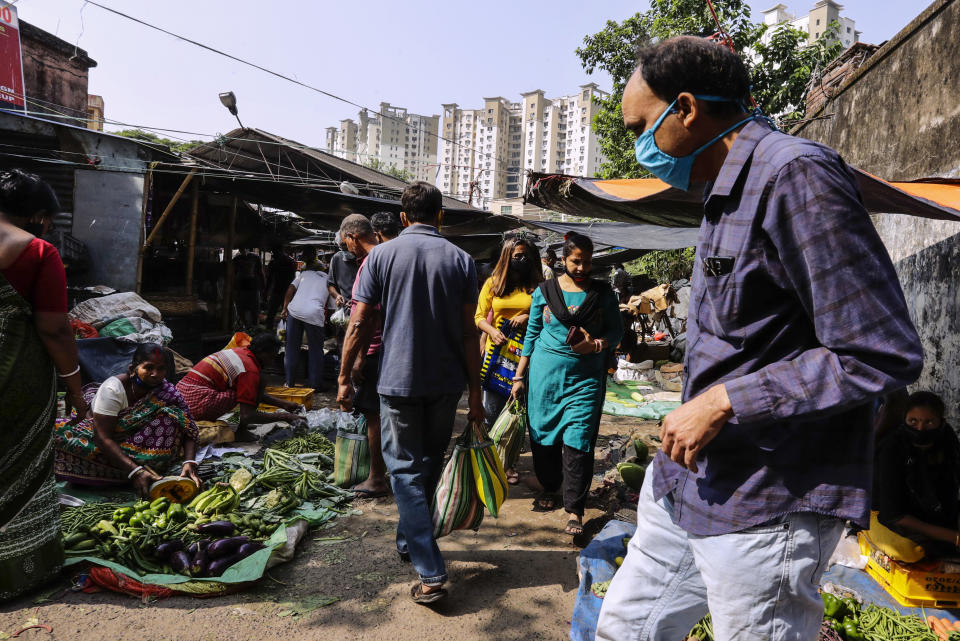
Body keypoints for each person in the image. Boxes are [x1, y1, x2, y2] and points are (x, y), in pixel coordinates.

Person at [596, 37, 923, 641]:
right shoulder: (725, 191)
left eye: (642, 125)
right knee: (624, 629)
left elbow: (880, 352)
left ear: (686, 109)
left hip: (766, 500)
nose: (640, 145)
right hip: (688, 483)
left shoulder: (795, 176)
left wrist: (724, 401)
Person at [338, 181, 483, 606]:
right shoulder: (461, 259)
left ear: (403, 218)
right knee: (427, 464)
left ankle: (430, 571)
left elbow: (358, 323)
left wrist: (345, 377)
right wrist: (475, 393)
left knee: (403, 470)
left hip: (398, 380)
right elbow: (469, 333)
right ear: (440, 215)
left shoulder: (381, 255)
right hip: (446, 382)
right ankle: (411, 542)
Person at [0, 169, 80, 600]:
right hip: (15, 378)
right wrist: (74, 386)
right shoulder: (36, 250)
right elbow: (54, 329)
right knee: (17, 465)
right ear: (36, 215)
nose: (46, 226)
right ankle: (18, 567)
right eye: (47, 218)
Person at [510, 232, 622, 535]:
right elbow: (531, 335)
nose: (582, 268)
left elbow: (615, 332)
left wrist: (597, 346)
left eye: (587, 262)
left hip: (585, 380)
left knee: (579, 441)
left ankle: (575, 510)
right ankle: (549, 483)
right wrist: (519, 376)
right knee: (542, 436)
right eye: (576, 261)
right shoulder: (544, 291)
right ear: (563, 260)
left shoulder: (602, 294)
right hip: (545, 379)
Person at [54, 344, 201, 495]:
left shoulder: (166, 391)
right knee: (62, 439)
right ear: (132, 370)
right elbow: (102, 437)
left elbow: (187, 426)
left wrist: (189, 461)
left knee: (172, 418)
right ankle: (135, 469)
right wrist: (135, 471)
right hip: (101, 438)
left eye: (161, 369)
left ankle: (142, 466)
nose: (155, 374)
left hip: (135, 440)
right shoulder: (113, 389)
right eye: (148, 367)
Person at [475, 235, 542, 485]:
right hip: (495, 358)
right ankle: (492, 462)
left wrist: (526, 315)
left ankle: (509, 462)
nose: (522, 260)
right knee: (491, 412)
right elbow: (479, 316)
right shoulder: (493, 283)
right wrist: (491, 332)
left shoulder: (536, 285)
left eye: (526, 255)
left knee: (516, 413)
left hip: (527, 356)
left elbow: (546, 312)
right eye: (517, 256)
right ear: (506, 257)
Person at [337, 214, 389, 498]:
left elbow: (363, 320)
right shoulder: (387, 256)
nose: (347, 249)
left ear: (352, 238)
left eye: (346, 243)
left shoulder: (372, 262)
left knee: (373, 414)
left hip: (376, 350)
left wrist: (349, 368)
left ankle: (376, 478)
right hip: (391, 348)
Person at [874, 392, 960, 557]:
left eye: (929, 422)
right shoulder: (892, 447)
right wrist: (953, 537)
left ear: (941, 423)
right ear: (904, 420)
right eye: (913, 421)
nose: (921, 429)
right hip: (895, 520)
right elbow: (894, 515)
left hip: (935, 513)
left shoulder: (947, 438)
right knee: (913, 551)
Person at [176, 333, 304, 440]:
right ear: (260, 352)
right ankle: (241, 432)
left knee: (253, 385)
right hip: (194, 403)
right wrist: (285, 416)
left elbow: (250, 391)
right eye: (270, 357)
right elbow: (246, 415)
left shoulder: (242, 351)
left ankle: (243, 429)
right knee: (258, 382)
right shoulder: (249, 370)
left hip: (181, 397)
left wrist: (284, 404)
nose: (271, 363)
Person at [280, 247, 330, 392]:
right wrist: (328, 323)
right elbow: (331, 308)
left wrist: (284, 308)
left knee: (291, 348)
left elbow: (290, 289)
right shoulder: (329, 280)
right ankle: (315, 384)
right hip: (314, 313)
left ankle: (289, 382)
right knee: (315, 350)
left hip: (294, 310)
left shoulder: (305, 274)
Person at [264, 243, 297, 331]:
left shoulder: (277, 262)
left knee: (272, 313)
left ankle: (271, 330)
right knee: (284, 313)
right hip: (284, 290)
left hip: (280, 290)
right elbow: (293, 278)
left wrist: (266, 292)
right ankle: (287, 331)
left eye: (274, 252)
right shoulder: (290, 261)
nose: (273, 254)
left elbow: (270, 279)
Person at [233, 246, 264, 329]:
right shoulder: (237, 259)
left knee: (253, 309)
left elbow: (260, 273)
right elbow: (233, 274)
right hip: (242, 287)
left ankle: (252, 326)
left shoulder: (255, 258)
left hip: (252, 287)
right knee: (241, 308)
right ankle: (246, 325)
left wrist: (262, 287)